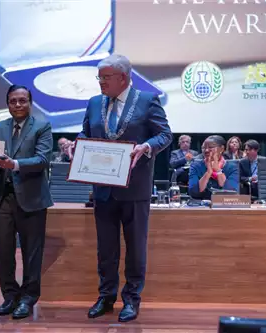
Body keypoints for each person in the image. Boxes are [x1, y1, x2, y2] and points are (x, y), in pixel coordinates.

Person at [73, 54, 172, 322]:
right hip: (103, 188)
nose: (100, 82)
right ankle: (106, 297)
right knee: (106, 249)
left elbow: (165, 134)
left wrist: (147, 146)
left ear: (123, 78)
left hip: (135, 188)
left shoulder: (147, 100)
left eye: (105, 77)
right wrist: (77, 144)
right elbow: (85, 132)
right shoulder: (94, 103)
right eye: (99, 77)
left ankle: (131, 299)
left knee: (135, 247)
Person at [0, 85, 53, 319]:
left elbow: (43, 159)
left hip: (32, 198)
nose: (18, 105)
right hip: (4, 197)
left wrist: (14, 164)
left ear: (30, 102)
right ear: (7, 103)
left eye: (22, 101)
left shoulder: (42, 126)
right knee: (4, 252)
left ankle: (28, 298)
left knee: (32, 253)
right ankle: (10, 296)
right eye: (13, 101)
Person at [188, 135, 239, 200]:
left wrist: (218, 170)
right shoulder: (195, 165)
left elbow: (232, 192)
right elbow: (193, 192)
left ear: (222, 149)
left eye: (210, 147)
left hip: (224, 205)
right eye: (203, 148)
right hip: (200, 205)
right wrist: (208, 173)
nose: (206, 150)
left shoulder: (232, 167)